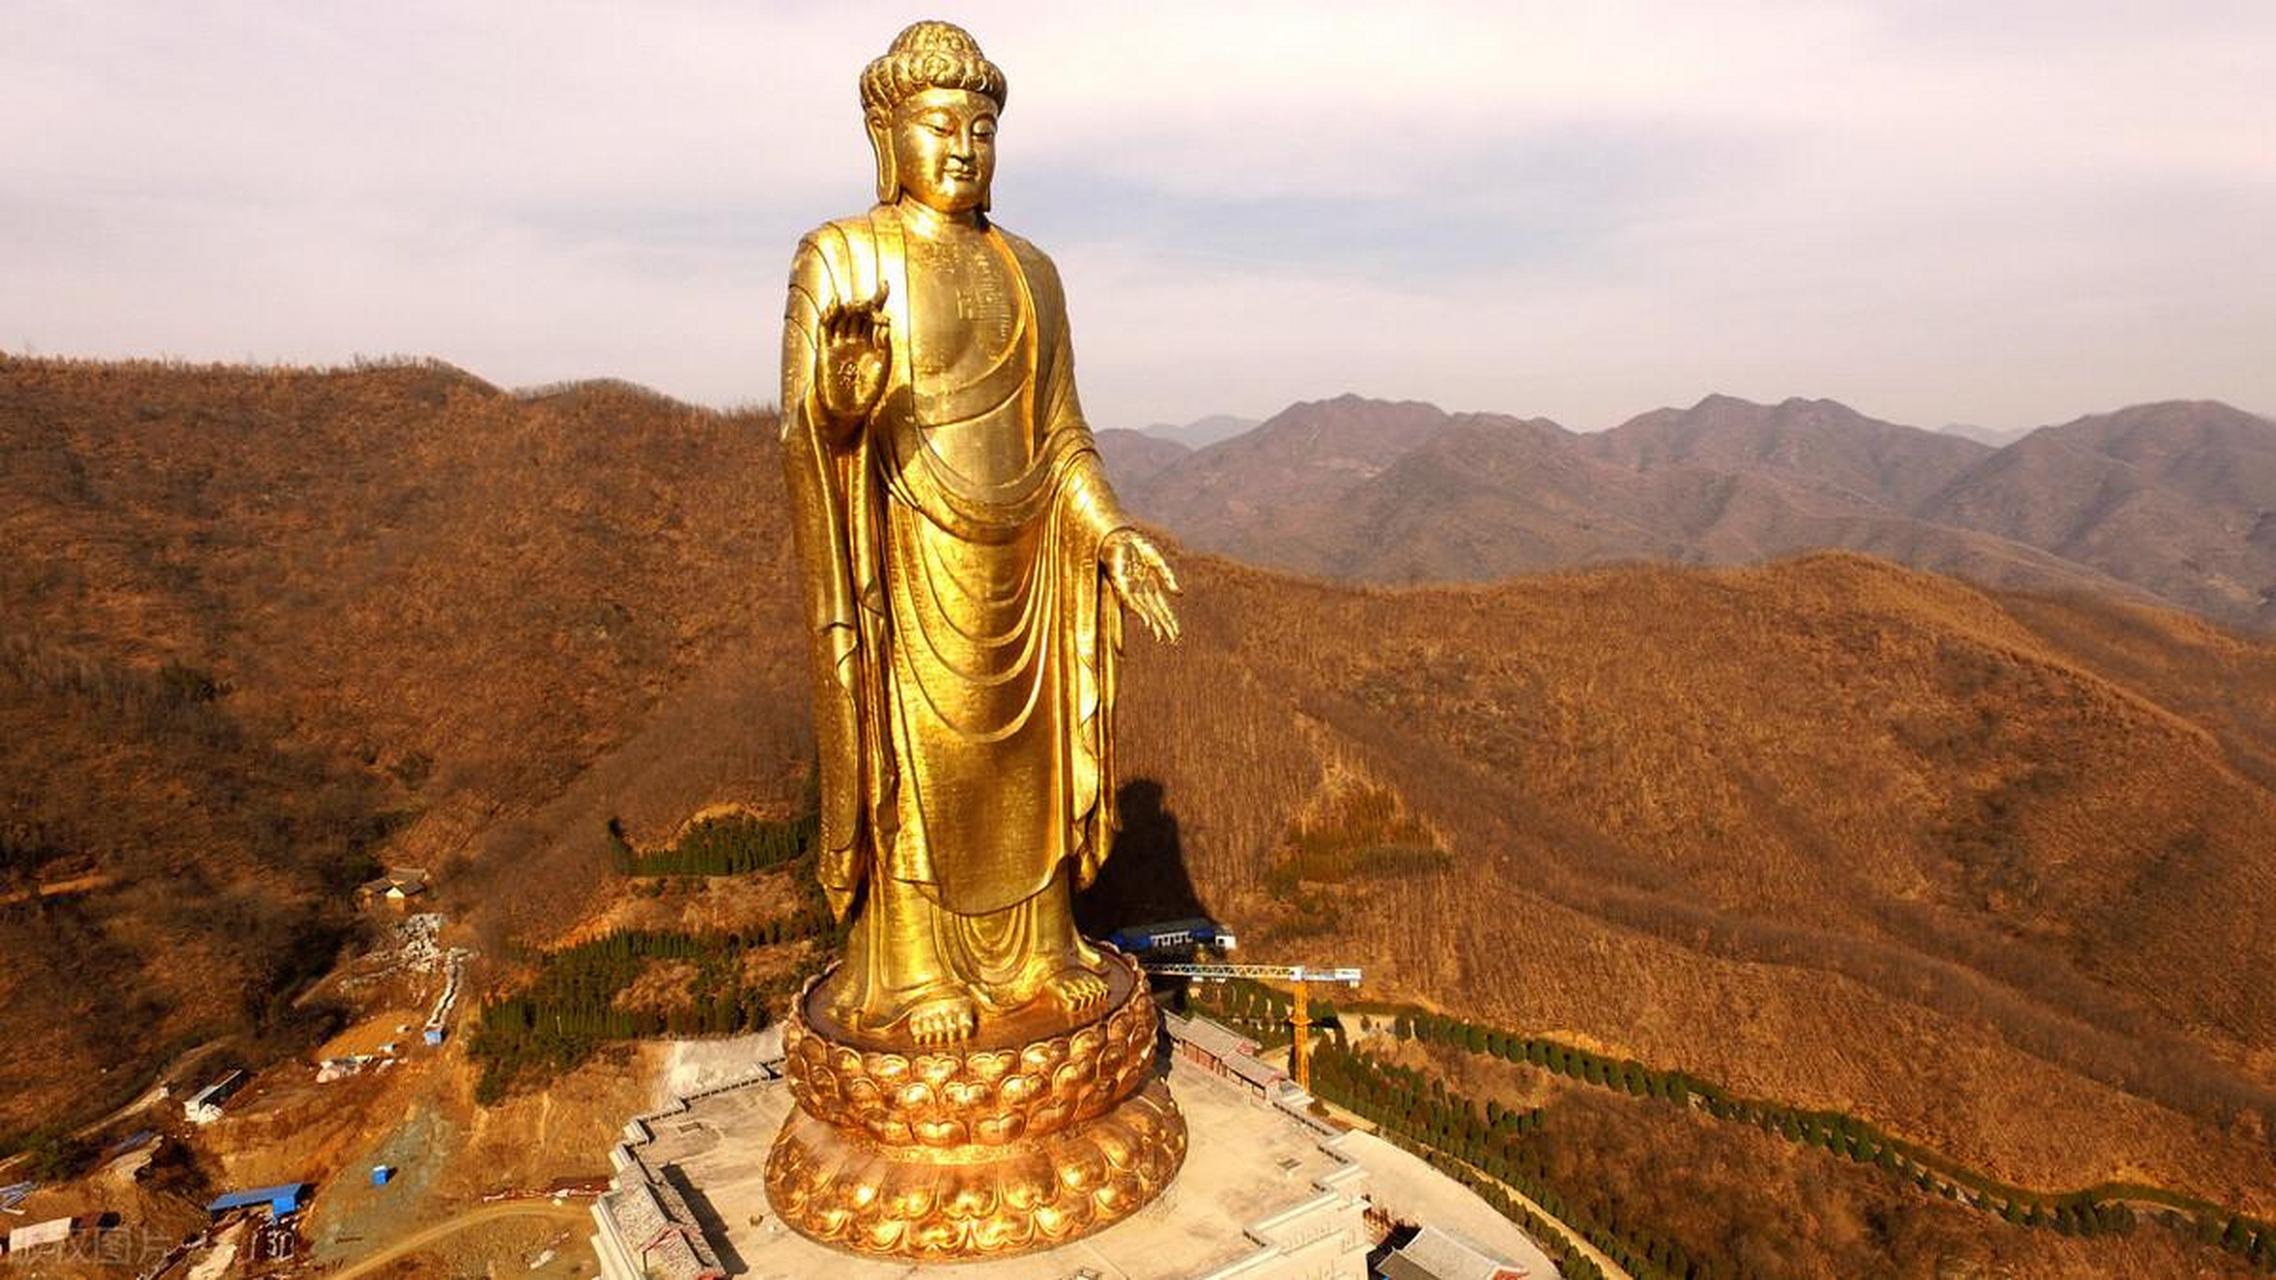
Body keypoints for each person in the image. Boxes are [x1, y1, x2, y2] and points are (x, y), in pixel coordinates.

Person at [778, 20, 1181, 1046]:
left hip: (1031, 564)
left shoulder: (1031, 271)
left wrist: (1109, 533)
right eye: (939, 124)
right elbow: (804, 438)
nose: (963, 148)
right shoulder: (841, 257)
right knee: (921, 770)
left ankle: (1041, 950)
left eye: (983, 128)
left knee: (1028, 773)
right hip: (909, 563)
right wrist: (841, 406)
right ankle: (914, 972)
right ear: (887, 134)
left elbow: (1062, 434)